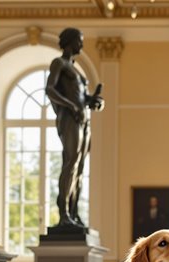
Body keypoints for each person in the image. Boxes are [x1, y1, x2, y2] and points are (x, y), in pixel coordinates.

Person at [47, 28, 105, 229]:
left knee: (80, 169)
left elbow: (80, 97)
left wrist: (92, 100)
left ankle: (73, 213)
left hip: (83, 119)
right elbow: (50, 89)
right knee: (70, 163)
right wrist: (72, 106)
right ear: (70, 42)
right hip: (70, 118)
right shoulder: (59, 64)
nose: (82, 44)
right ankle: (63, 214)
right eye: (79, 40)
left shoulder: (75, 68)